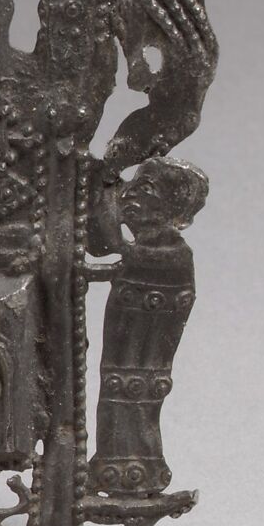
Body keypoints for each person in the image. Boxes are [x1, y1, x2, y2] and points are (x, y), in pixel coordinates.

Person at [89, 156, 208, 497]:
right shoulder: (147, 249)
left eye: (144, 188)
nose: (129, 194)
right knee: (118, 393)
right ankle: (117, 467)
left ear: (169, 207)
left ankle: (136, 472)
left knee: (130, 395)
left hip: (142, 352)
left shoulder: (170, 252)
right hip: (129, 344)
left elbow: (121, 255)